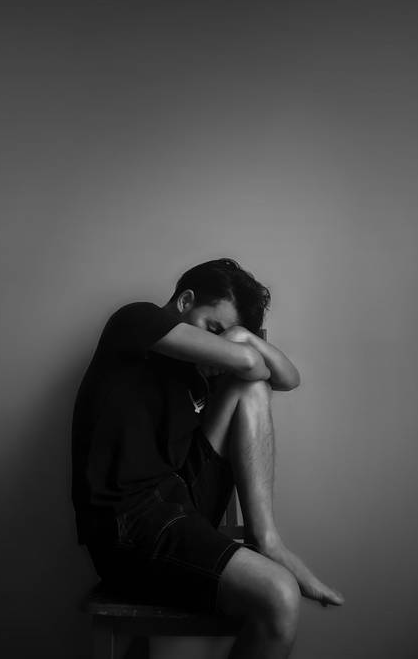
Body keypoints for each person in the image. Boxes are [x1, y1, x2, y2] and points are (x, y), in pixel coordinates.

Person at [71, 258, 344, 658]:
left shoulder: (198, 371)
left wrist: (244, 338)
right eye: (213, 329)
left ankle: (267, 540)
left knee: (252, 390)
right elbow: (252, 364)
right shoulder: (135, 321)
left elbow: (288, 378)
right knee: (279, 594)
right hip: (127, 523)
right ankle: (269, 557)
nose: (219, 344)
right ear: (185, 301)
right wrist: (241, 344)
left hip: (179, 502)